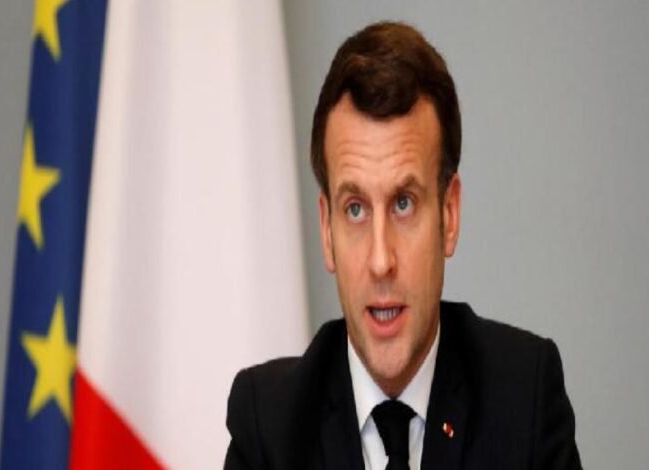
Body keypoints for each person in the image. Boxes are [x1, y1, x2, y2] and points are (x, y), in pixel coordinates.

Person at [224, 21, 582, 470]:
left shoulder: (523, 400)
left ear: (449, 215)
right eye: (355, 209)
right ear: (327, 231)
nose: (380, 261)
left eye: (404, 204)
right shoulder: (269, 426)